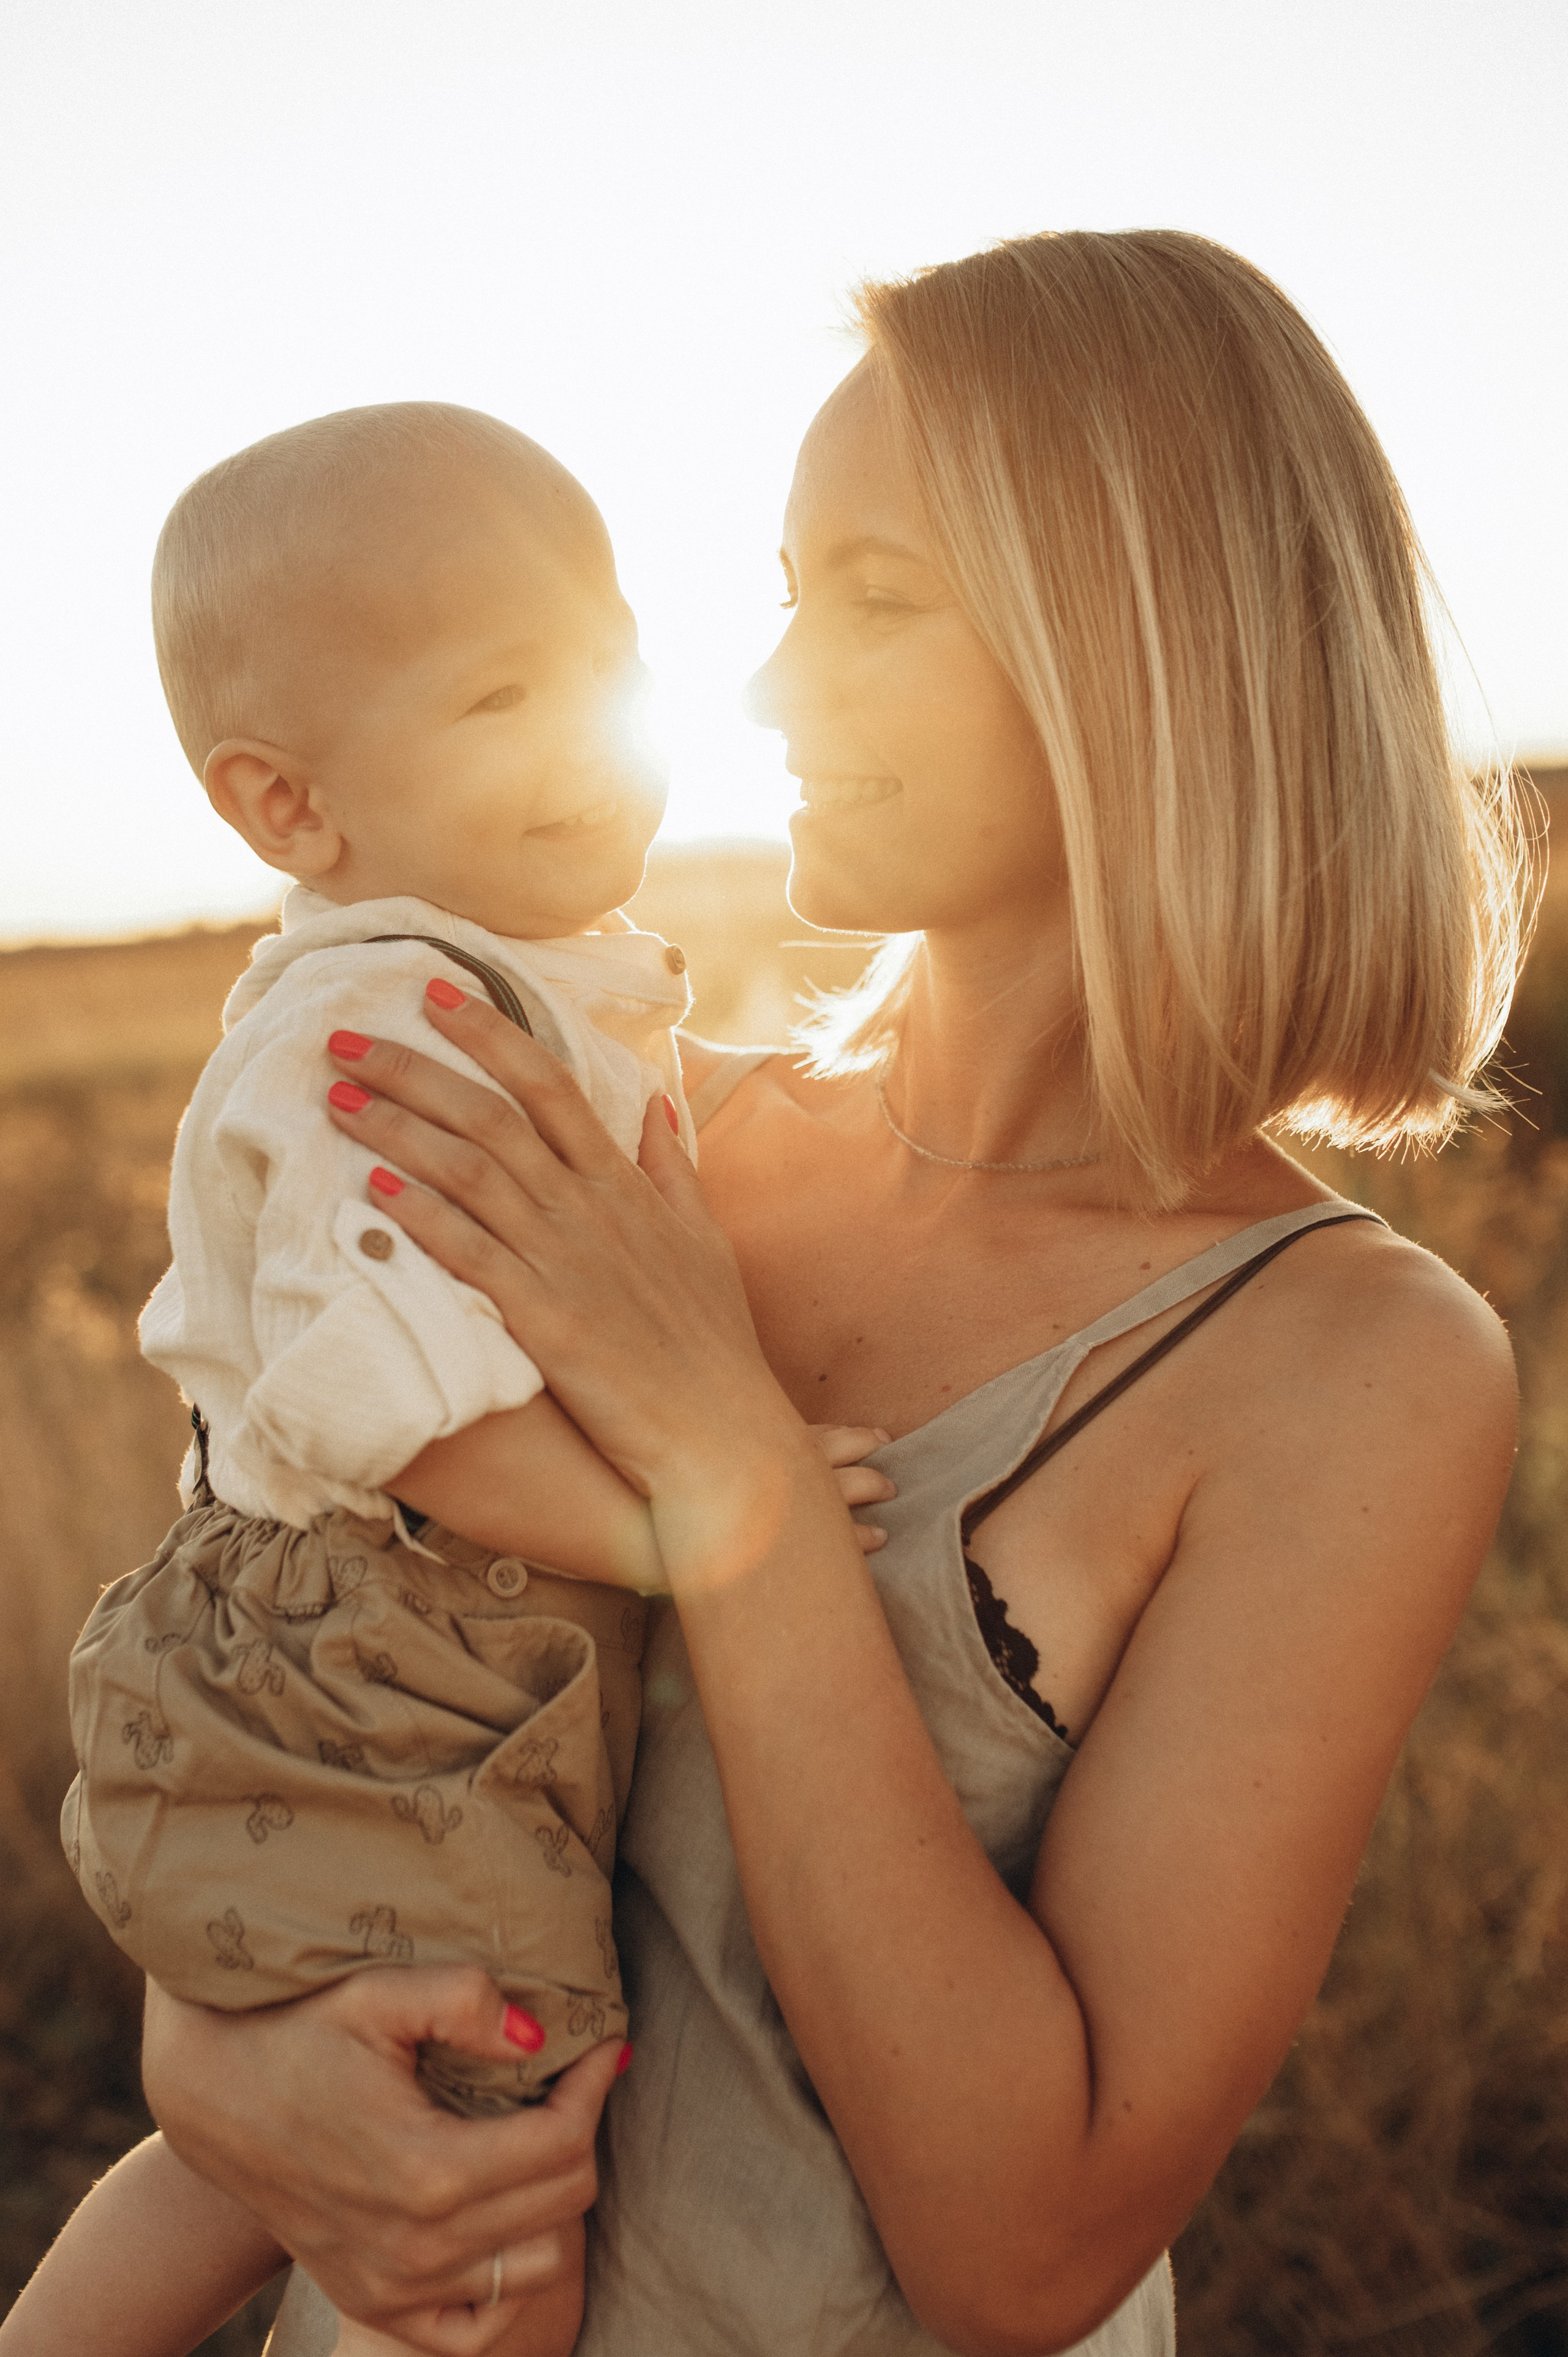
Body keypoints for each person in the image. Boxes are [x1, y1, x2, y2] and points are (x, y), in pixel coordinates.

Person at [135, 230, 1524, 2357]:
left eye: (873, 601)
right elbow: (268, 1632)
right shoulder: (593, 1138)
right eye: (789, 599)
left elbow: (1025, 2252)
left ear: (1134, 651)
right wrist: (208, 2060)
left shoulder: (1349, 1364)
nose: (772, 689)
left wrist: (737, 1485)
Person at [0, 402, 894, 2357]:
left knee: (267, 2151)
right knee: (484, 2179)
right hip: (389, 1659)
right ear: (290, 811)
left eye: (610, 667)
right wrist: (685, 1527)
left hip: (389, 1655)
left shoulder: (498, 970)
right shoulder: (391, 1029)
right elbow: (432, 1419)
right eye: (503, 695)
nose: (595, 733)